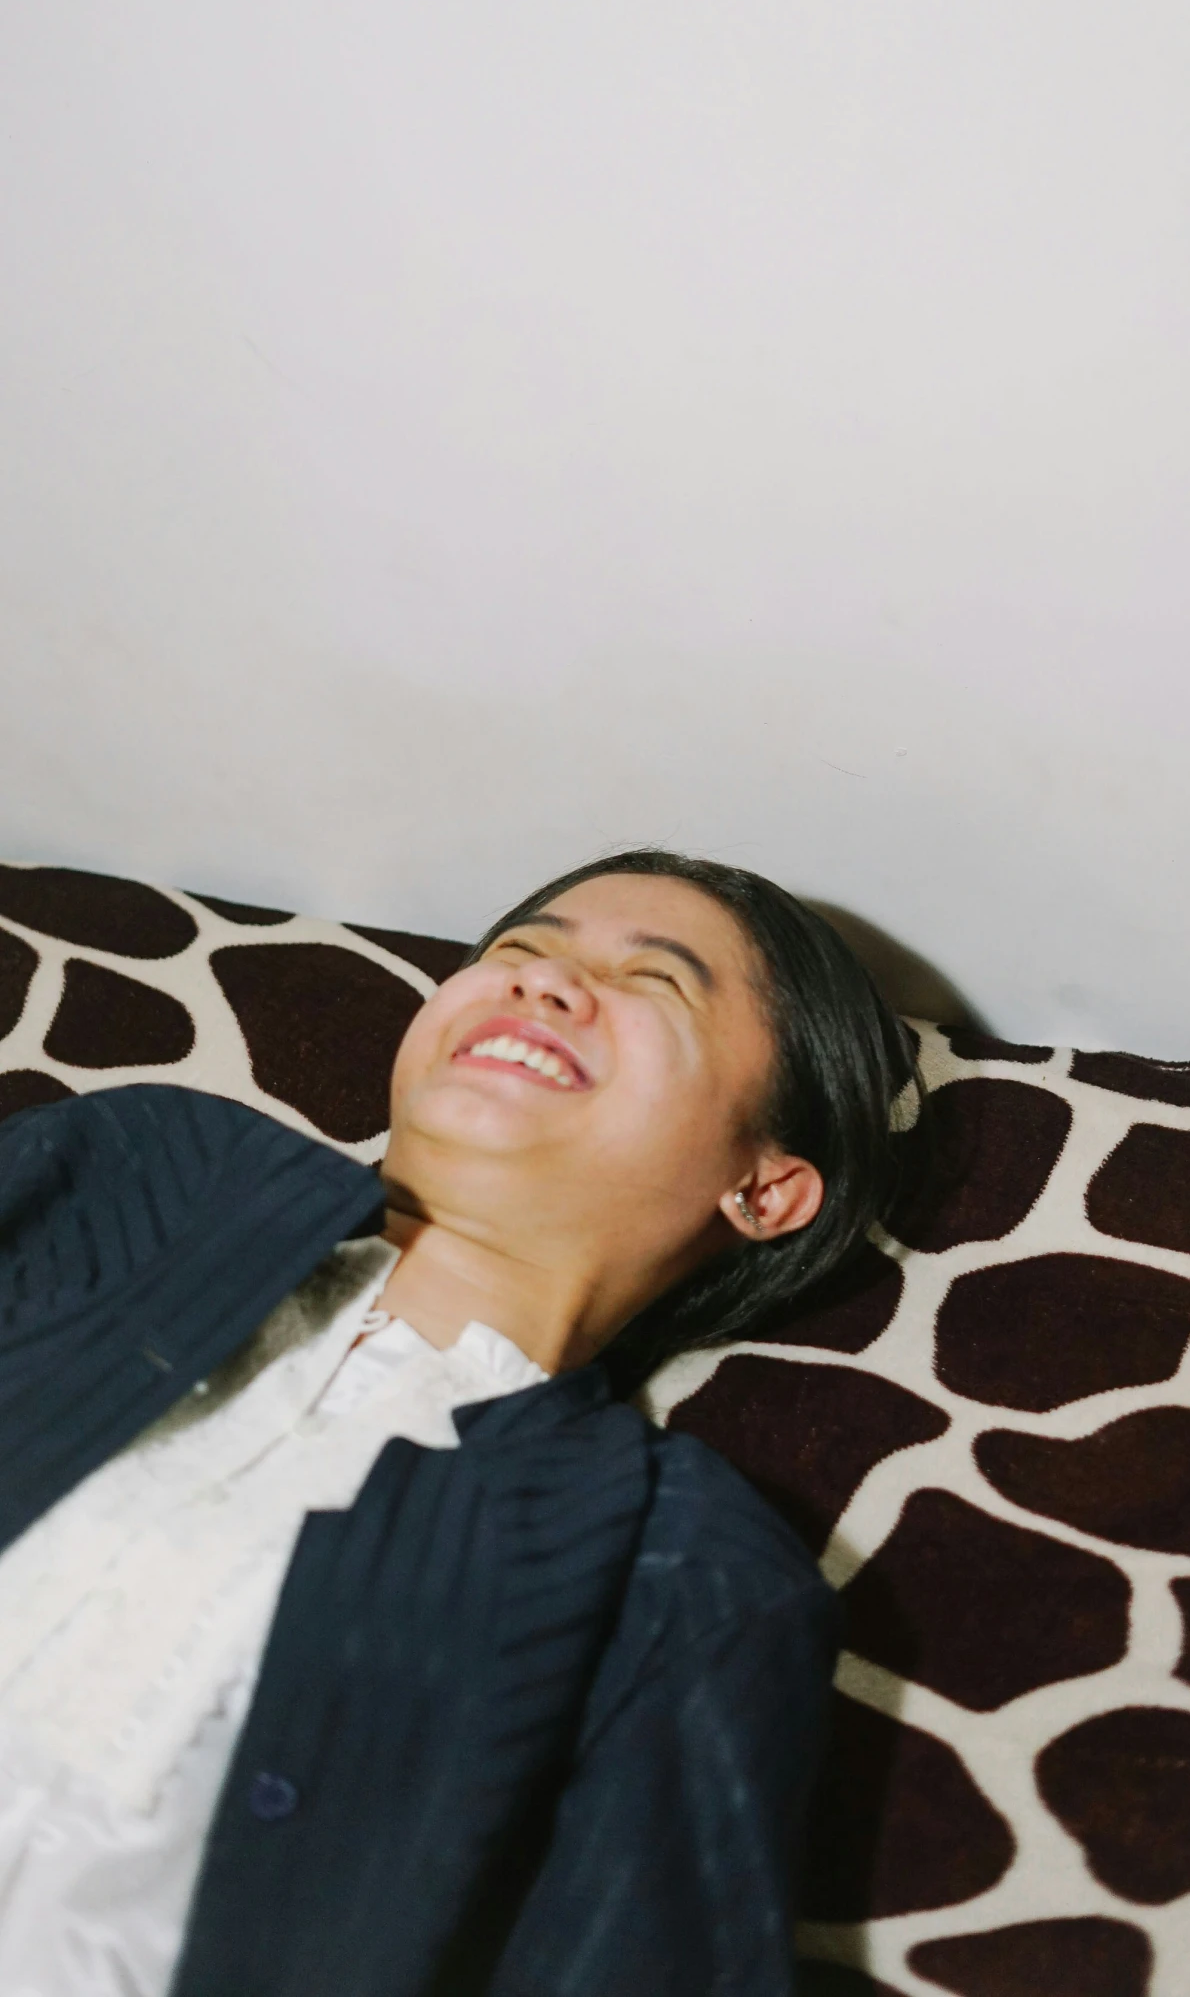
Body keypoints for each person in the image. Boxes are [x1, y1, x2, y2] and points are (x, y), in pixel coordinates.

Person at [0, 849, 919, 1997]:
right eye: (518, 952)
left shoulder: (684, 1574)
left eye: (654, 982)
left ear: (765, 1187)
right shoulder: (137, 1168)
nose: (540, 984)